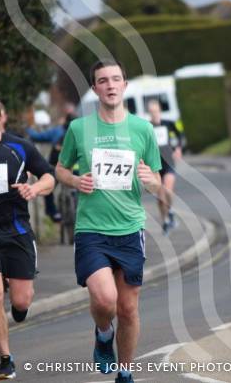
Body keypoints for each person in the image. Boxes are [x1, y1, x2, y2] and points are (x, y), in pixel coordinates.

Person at [56, 59, 161, 383]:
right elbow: (60, 170)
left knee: (128, 308)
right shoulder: (78, 129)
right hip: (92, 229)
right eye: (103, 80)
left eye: (116, 79)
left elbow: (157, 181)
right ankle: (103, 334)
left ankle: (125, 371)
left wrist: (149, 179)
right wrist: (76, 181)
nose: (111, 85)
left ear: (125, 86)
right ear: (95, 88)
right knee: (105, 300)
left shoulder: (143, 129)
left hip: (130, 228)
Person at [0, 98, 55, 379]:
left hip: (16, 232)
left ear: (2, 118)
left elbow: (49, 176)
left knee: (20, 301)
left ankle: (18, 304)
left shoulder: (19, 147)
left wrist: (35, 189)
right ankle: (6, 359)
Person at [26, 103, 76, 222]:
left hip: (56, 168)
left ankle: (53, 212)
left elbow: (37, 136)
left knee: (48, 185)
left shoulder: (57, 131)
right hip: (76, 169)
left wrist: (27, 128)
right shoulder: (80, 133)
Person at [147, 99, 182, 235]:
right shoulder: (147, 127)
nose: (154, 114)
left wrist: (178, 148)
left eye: (156, 111)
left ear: (159, 110)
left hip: (168, 163)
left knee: (168, 190)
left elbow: (180, 135)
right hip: (155, 166)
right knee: (160, 198)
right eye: (151, 112)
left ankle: (171, 211)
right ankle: (166, 221)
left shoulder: (169, 123)